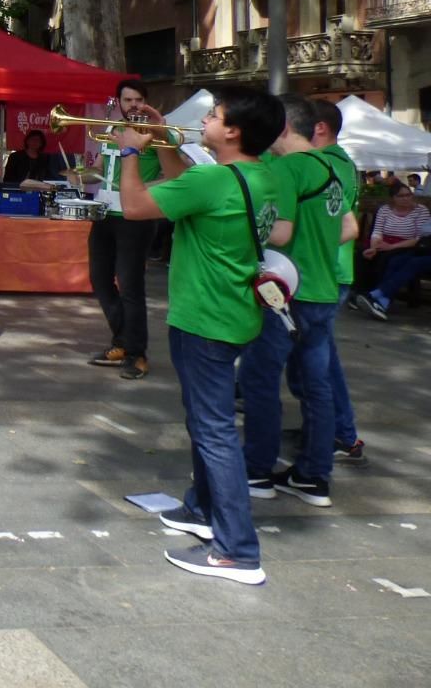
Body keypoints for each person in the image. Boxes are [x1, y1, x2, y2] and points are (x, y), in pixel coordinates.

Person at [112, 85, 285, 585]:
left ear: (232, 131)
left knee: (213, 431)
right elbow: (185, 184)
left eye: (213, 114)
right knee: (205, 422)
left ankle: (237, 550)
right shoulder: (255, 176)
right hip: (229, 314)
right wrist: (165, 139)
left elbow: (136, 207)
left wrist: (129, 150)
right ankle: (202, 510)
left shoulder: (217, 181)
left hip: (204, 318)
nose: (204, 119)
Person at [241, 94, 357, 509]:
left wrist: (243, 225)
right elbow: (348, 227)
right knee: (316, 389)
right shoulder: (330, 167)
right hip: (323, 290)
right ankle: (313, 475)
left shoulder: (287, 168)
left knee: (259, 380)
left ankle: (256, 470)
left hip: (287, 295)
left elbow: (282, 233)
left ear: (284, 127)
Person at [87, 79, 171, 379]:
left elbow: (174, 170)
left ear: (146, 102)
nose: (133, 105)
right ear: (119, 102)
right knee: (98, 278)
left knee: (130, 286)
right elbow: (101, 167)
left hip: (135, 216)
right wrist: (83, 173)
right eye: (127, 100)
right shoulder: (111, 130)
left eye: (138, 100)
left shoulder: (154, 132)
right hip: (105, 212)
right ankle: (123, 341)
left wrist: (146, 188)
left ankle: (137, 354)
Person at [309, 100, 366, 466]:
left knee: (321, 360)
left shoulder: (328, 163)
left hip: (328, 271)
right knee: (315, 358)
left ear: (319, 128)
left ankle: (343, 434)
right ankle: (330, 429)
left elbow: (333, 221)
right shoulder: (338, 161)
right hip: (329, 270)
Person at [355, 183, 431, 319]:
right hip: (388, 242)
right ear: (393, 198)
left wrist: (391, 247)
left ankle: (375, 295)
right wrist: (374, 247)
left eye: (408, 195)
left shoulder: (421, 210)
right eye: (401, 196)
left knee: (397, 259)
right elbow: (377, 231)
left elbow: (420, 238)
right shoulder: (385, 209)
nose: (406, 199)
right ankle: (374, 298)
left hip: (409, 244)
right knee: (365, 255)